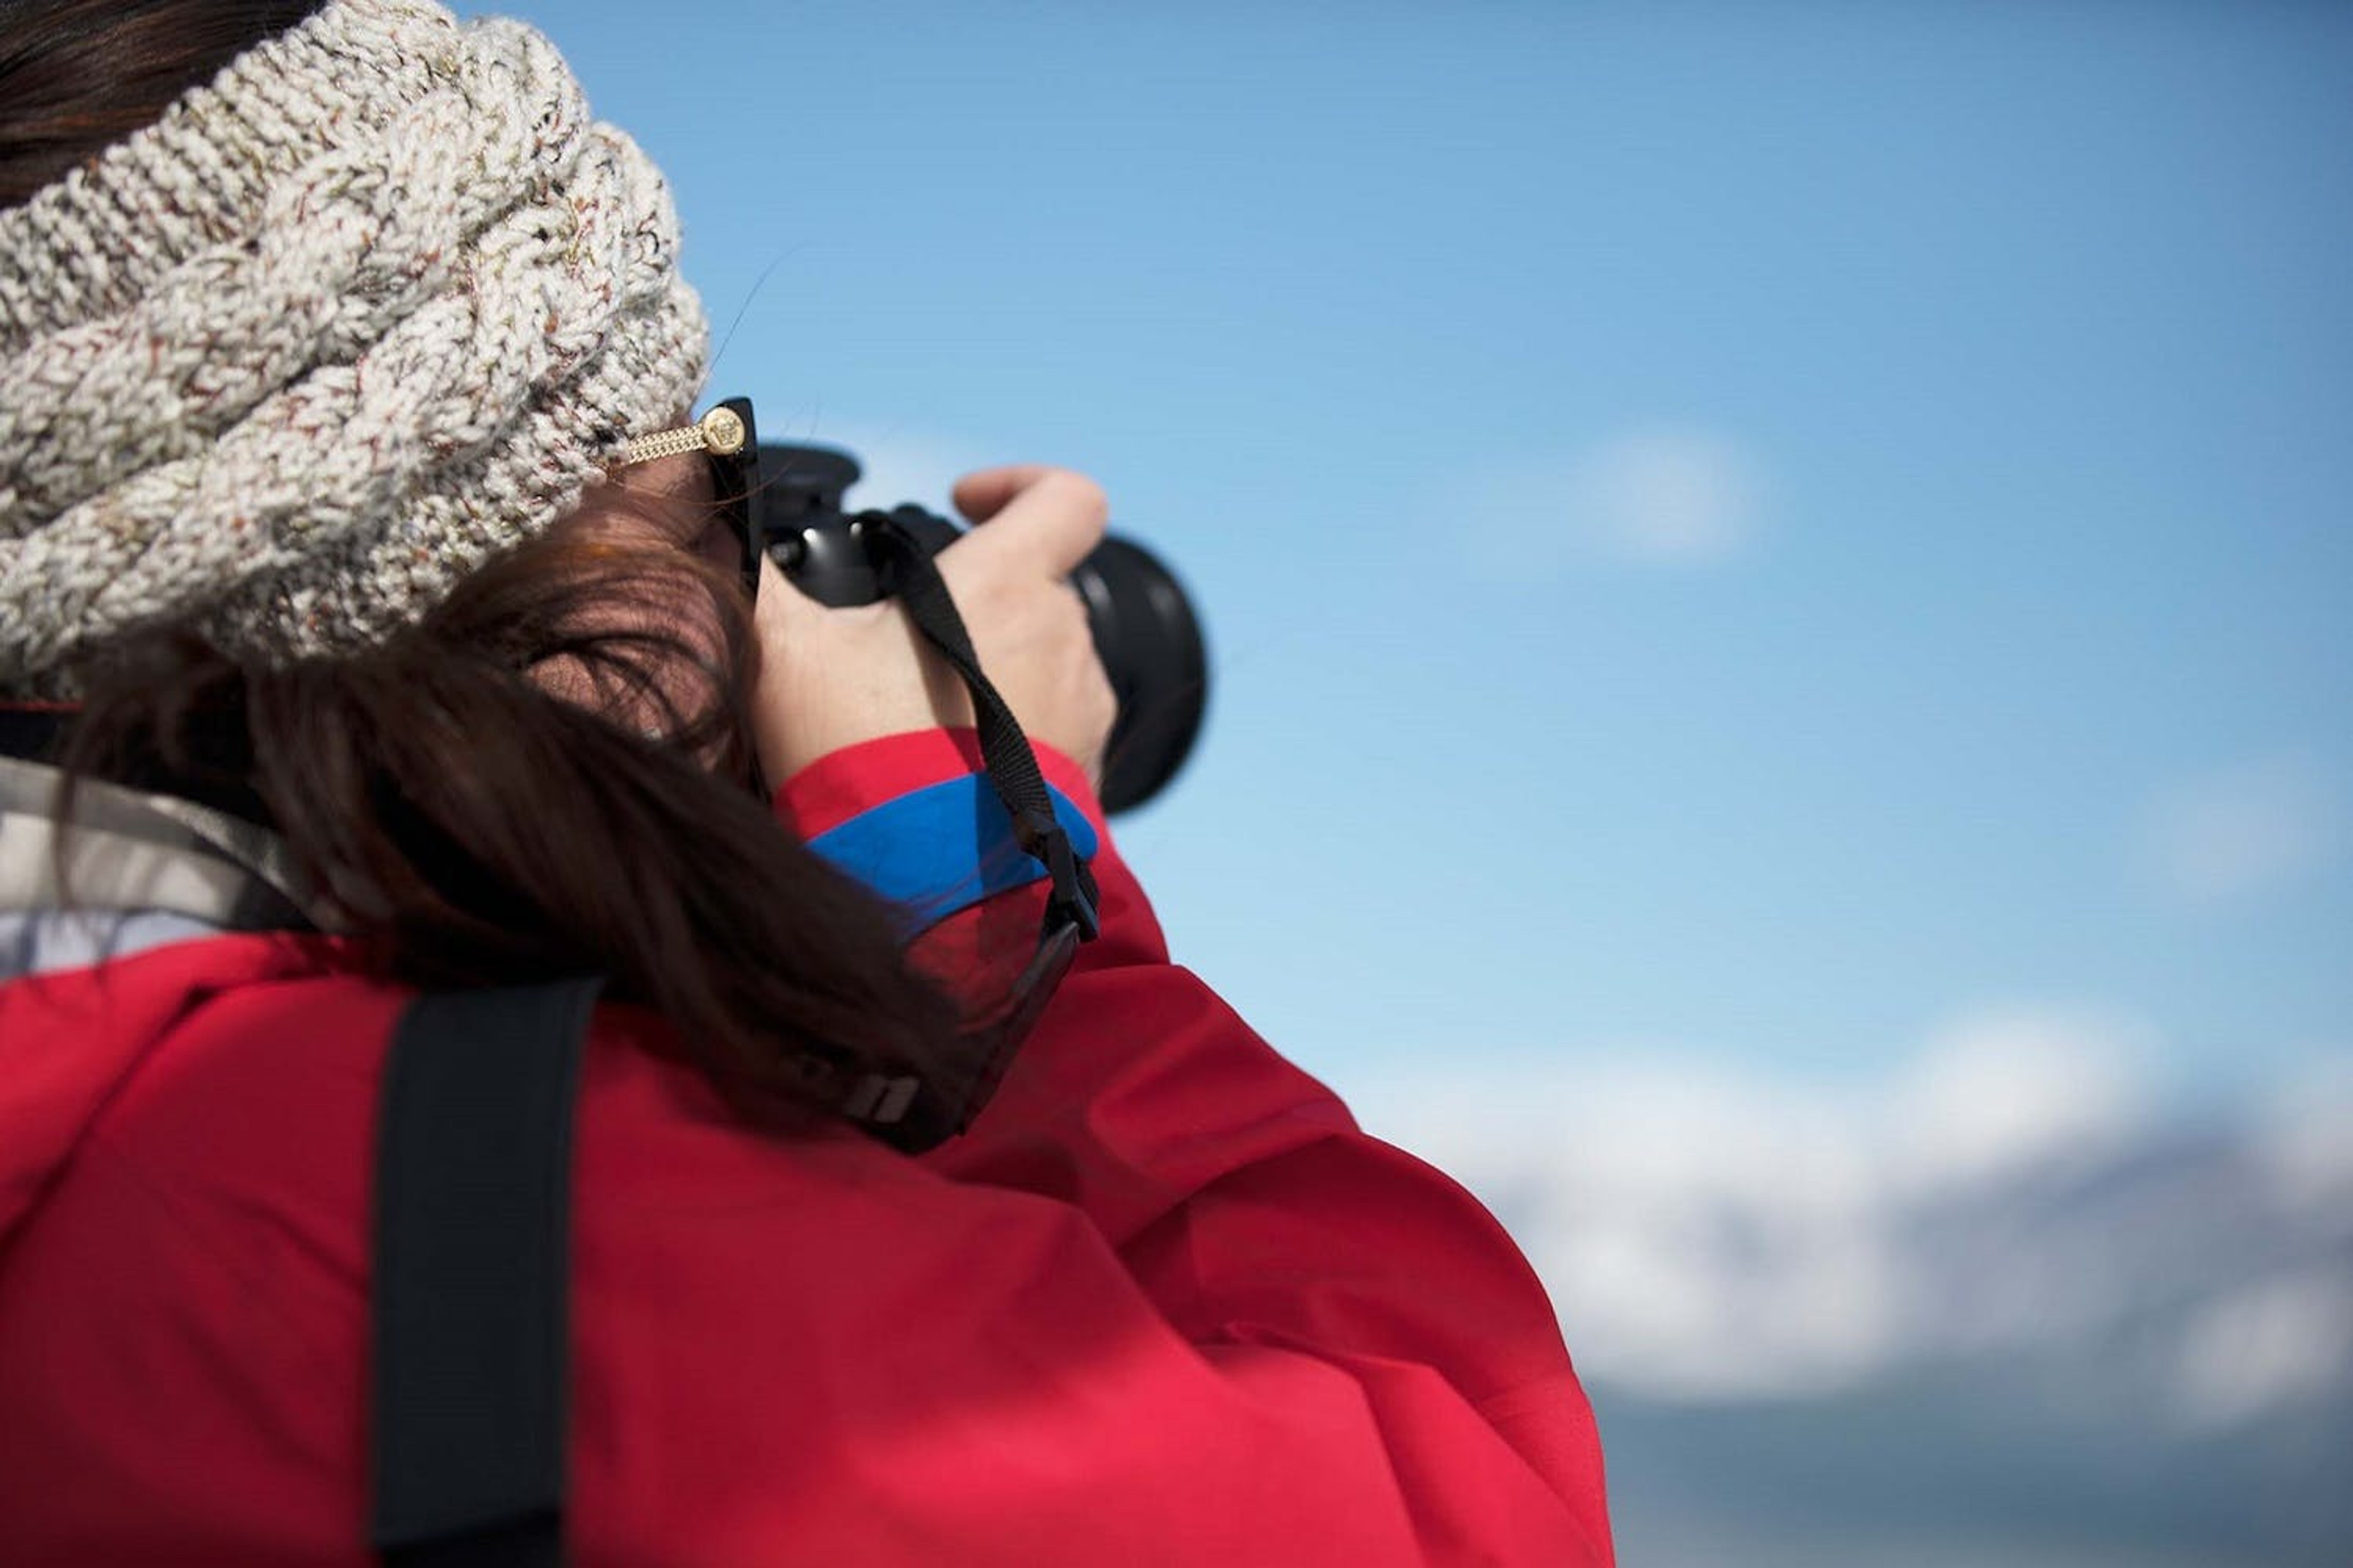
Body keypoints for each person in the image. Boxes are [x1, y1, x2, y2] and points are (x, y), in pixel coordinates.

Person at [0, 1, 1616, 1561]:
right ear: (447, 561)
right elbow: (1469, 1502)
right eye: (707, 488)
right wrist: (983, 884)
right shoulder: (494, 1235)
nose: (746, 590)